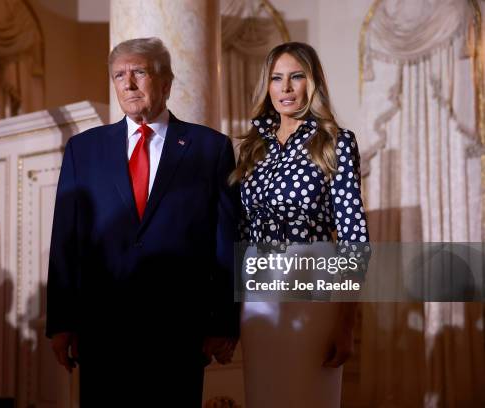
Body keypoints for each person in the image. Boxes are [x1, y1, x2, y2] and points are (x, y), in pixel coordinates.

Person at [45, 37, 240, 407]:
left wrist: (223, 324)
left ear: (166, 82)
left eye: (139, 72)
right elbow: (65, 241)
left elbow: (226, 241)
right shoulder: (84, 150)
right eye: (119, 75)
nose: (128, 84)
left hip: (179, 333)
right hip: (103, 331)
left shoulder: (210, 148)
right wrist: (61, 322)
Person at [231, 42, 370, 408]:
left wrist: (346, 323)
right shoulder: (252, 148)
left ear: (313, 83)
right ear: (268, 87)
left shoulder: (335, 142)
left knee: (309, 397)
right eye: (276, 79)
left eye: (296, 77)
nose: (286, 88)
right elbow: (242, 233)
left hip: (313, 288)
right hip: (258, 295)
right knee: (263, 397)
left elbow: (354, 236)